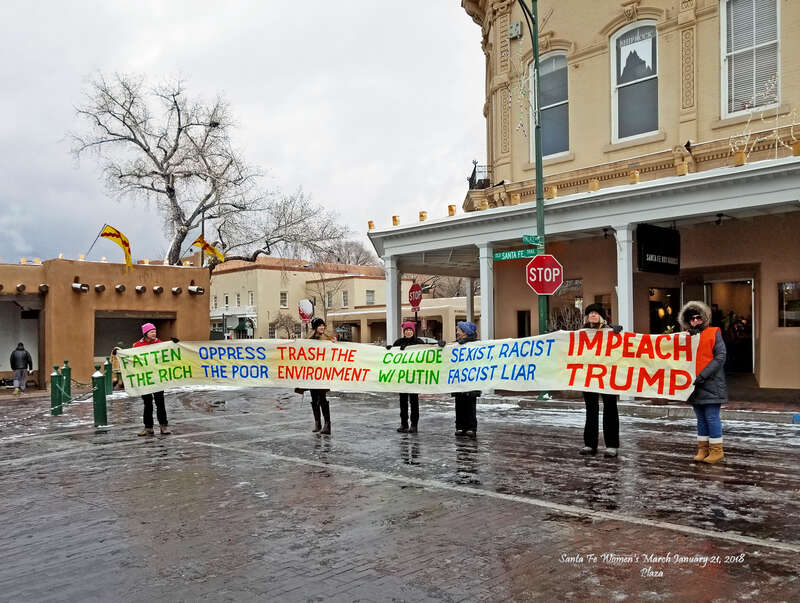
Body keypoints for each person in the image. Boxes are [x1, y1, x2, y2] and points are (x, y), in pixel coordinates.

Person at [679, 301, 727, 464]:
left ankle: (716, 450)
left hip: (711, 383)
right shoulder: (685, 336)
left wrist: (703, 375)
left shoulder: (713, 333)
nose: (695, 321)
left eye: (698, 317)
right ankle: (703, 449)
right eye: (691, 318)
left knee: (711, 417)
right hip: (694, 385)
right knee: (700, 418)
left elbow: (720, 357)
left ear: (704, 318)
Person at [578, 304, 623, 457]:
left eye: (596, 313)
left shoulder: (610, 332)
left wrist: (617, 332)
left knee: (610, 408)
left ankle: (611, 445)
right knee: (591, 409)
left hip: (607, 376)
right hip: (589, 376)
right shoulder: (581, 333)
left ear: (601, 316)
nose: (593, 315)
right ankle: (590, 444)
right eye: (590, 313)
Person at [133, 323, 178, 436]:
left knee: (160, 402)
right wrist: (118, 353)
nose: (154, 333)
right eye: (151, 332)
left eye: (155, 331)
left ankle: (163, 426)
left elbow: (168, 352)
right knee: (147, 403)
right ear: (145, 333)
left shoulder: (159, 343)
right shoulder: (137, 345)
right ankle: (148, 427)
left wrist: (174, 344)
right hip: (145, 378)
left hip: (158, 378)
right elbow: (130, 358)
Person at [387, 321, 426, 433]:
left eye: (410, 330)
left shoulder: (419, 342)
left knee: (414, 401)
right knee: (403, 401)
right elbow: (392, 357)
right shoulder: (398, 342)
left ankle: (414, 424)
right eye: (406, 330)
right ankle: (404, 423)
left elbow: (427, 353)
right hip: (402, 376)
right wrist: (390, 349)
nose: (408, 332)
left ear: (413, 331)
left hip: (414, 375)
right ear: (403, 332)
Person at [451, 321, 480, 438]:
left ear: (465, 332)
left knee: (470, 405)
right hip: (459, 381)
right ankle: (460, 426)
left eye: (459, 330)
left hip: (471, 381)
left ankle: (471, 428)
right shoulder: (455, 345)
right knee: (459, 404)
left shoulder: (476, 345)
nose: (457, 332)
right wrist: (442, 346)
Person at [308, 317, 336, 435]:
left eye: (323, 325)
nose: (322, 327)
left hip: (322, 374)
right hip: (311, 374)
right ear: (315, 327)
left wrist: (334, 344)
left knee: (322, 398)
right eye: (319, 325)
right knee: (314, 399)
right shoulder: (309, 340)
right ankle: (317, 423)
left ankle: (327, 424)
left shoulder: (328, 339)